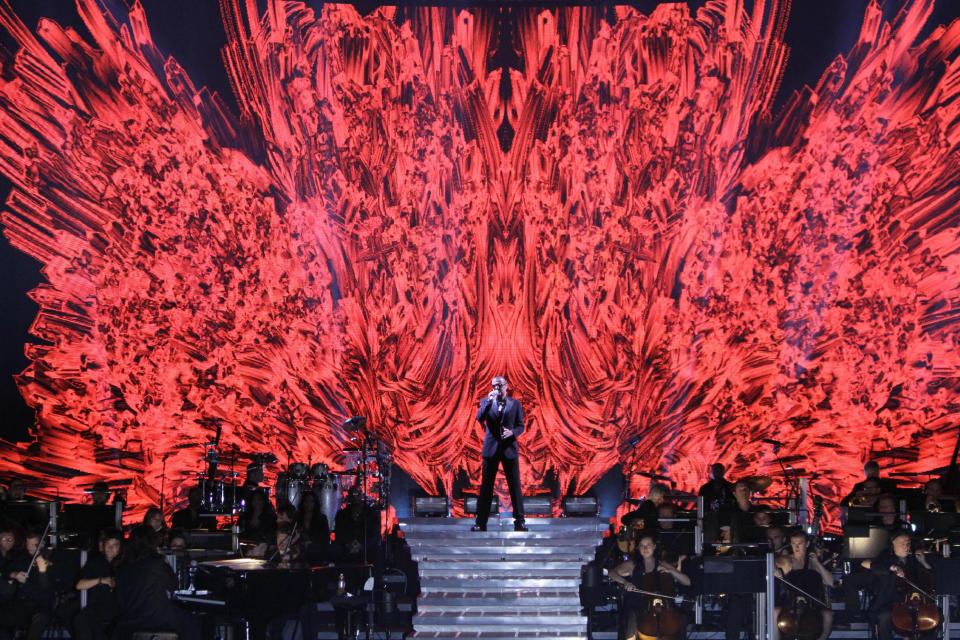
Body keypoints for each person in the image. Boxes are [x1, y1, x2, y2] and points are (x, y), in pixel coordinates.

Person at [113, 525, 200, 640]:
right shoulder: (157, 561)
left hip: (129, 620)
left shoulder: (122, 566)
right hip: (157, 618)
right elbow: (173, 585)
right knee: (193, 622)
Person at [609, 534, 690, 640]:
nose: (645, 548)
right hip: (637, 607)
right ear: (638, 548)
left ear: (654, 547)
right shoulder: (632, 564)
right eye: (642, 545)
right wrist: (625, 582)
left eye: (648, 545)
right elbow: (611, 573)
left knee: (681, 619)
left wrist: (672, 571)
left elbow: (686, 581)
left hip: (662, 608)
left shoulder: (662, 563)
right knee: (630, 626)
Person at [472, 375, 527, 532]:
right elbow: (479, 418)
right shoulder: (486, 401)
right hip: (491, 449)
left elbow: (520, 425)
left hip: (509, 448)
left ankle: (520, 521)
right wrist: (489, 402)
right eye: (494, 385)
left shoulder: (515, 404)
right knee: (486, 487)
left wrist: (513, 433)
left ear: (506, 386)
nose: (497, 388)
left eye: (500, 385)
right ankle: (480, 522)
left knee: (515, 486)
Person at [866, 530, 934, 640]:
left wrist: (923, 562)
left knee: (933, 616)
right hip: (889, 601)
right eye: (902, 543)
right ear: (892, 544)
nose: (906, 546)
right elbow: (872, 566)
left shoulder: (913, 560)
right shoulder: (884, 559)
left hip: (913, 601)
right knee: (884, 616)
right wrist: (893, 567)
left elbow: (929, 580)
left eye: (908, 543)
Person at [773, 531, 833, 640]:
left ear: (807, 544)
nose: (796, 546)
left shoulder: (813, 562)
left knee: (828, 615)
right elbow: (772, 562)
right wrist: (773, 567)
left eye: (799, 543)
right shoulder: (787, 560)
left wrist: (817, 563)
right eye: (793, 543)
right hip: (791, 601)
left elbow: (830, 582)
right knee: (775, 612)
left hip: (812, 602)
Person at [0, 528, 55, 640]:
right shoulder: (21, 557)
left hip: (41, 603)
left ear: (42, 544)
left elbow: (46, 588)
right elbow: (5, 571)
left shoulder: (50, 557)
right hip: (21, 602)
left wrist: (43, 571)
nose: (30, 548)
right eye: (28, 544)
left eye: (33, 545)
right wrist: (15, 574)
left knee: (41, 618)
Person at [71, 528, 122, 640]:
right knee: (80, 619)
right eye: (108, 544)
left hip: (119, 607)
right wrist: (101, 580)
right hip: (97, 607)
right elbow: (79, 585)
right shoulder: (95, 562)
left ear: (120, 547)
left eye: (115, 545)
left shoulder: (125, 563)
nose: (110, 548)